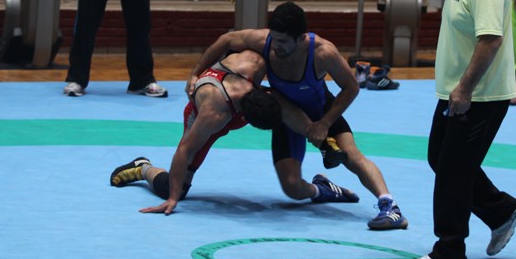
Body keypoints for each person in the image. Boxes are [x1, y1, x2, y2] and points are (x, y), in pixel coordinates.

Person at [185, 1, 408, 230]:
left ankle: (390, 207)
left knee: (351, 156)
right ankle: (322, 190)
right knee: (291, 187)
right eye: (274, 39)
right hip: (287, 117)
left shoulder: (322, 52)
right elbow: (226, 40)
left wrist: (325, 123)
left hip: (321, 111)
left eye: (282, 42)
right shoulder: (264, 41)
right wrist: (195, 74)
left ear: (301, 38)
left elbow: (351, 88)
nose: (276, 46)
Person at [403, 0, 516, 259]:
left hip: (479, 96)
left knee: (453, 172)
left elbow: (490, 40)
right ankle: (502, 211)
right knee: (440, 159)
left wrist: (464, 89)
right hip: (458, 92)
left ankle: (450, 253)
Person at [110, 50, 350, 214]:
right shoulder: (212, 116)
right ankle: (143, 167)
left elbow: (227, 40)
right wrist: (172, 199)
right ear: (245, 119)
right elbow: (184, 150)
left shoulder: (255, 63)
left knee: (283, 101)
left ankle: (323, 142)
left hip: (234, 96)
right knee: (175, 189)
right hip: (204, 113)